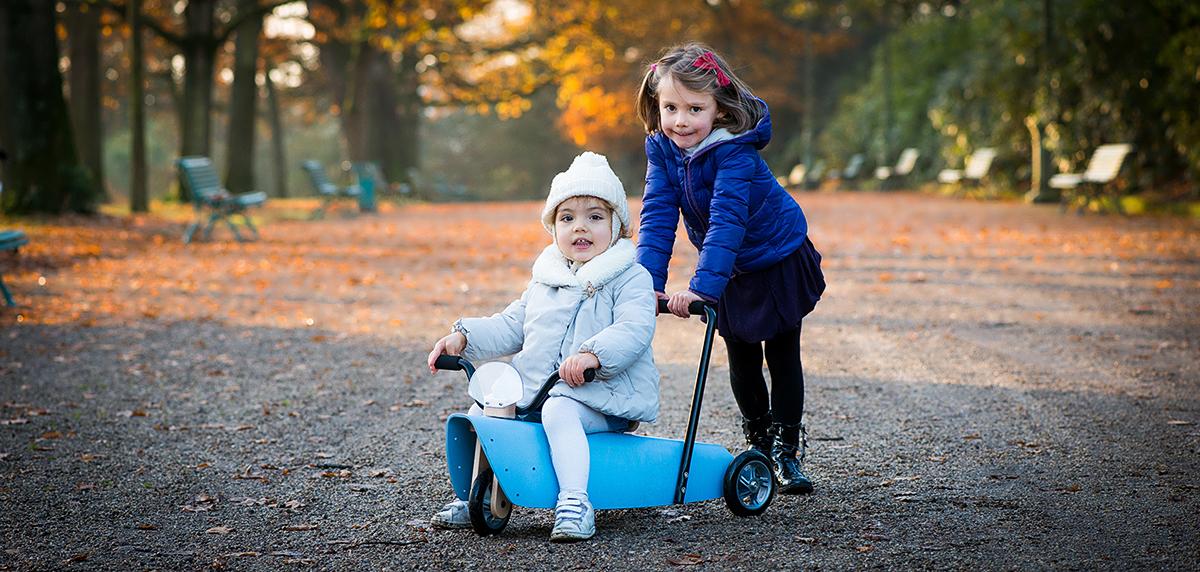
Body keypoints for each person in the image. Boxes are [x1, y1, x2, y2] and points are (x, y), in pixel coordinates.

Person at [426, 152, 659, 542]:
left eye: (595, 217)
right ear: (553, 228)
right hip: (541, 392)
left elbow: (634, 329)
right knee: (482, 409)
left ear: (618, 227)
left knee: (560, 408)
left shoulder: (630, 277)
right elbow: (511, 324)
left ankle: (575, 502)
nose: (579, 227)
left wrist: (593, 355)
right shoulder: (545, 281)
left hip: (603, 396)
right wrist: (464, 336)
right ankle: (476, 498)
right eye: (567, 218)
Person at [634, 43, 826, 494]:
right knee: (741, 357)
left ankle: (786, 451)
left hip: (774, 255)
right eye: (671, 108)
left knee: (781, 354)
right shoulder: (663, 149)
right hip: (733, 269)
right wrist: (645, 285)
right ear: (657, 106)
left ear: (719, 109)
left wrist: (701, 289)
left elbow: (727, 221)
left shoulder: (734, 152)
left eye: (695, 108)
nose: (681, 120)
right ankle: (757, 443)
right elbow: (658, 215)